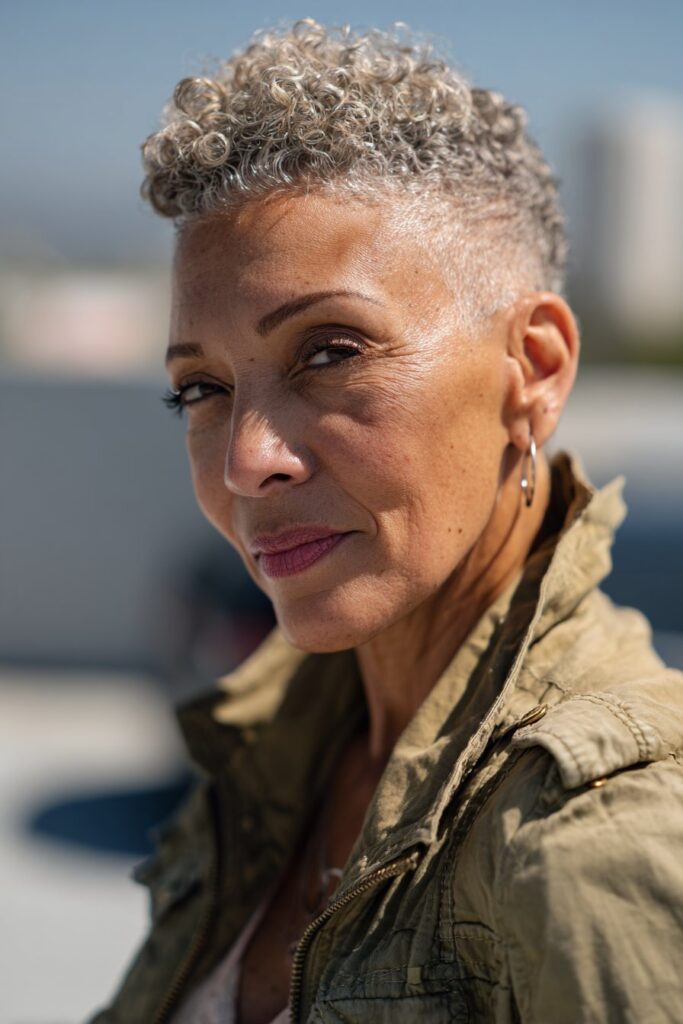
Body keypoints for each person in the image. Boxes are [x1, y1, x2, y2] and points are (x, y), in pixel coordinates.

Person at [89, 19, 683, 1024]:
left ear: (531, 370)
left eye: (328, 352)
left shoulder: (593, 836)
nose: (244, 459)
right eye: (199, 387)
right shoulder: (278, 746)